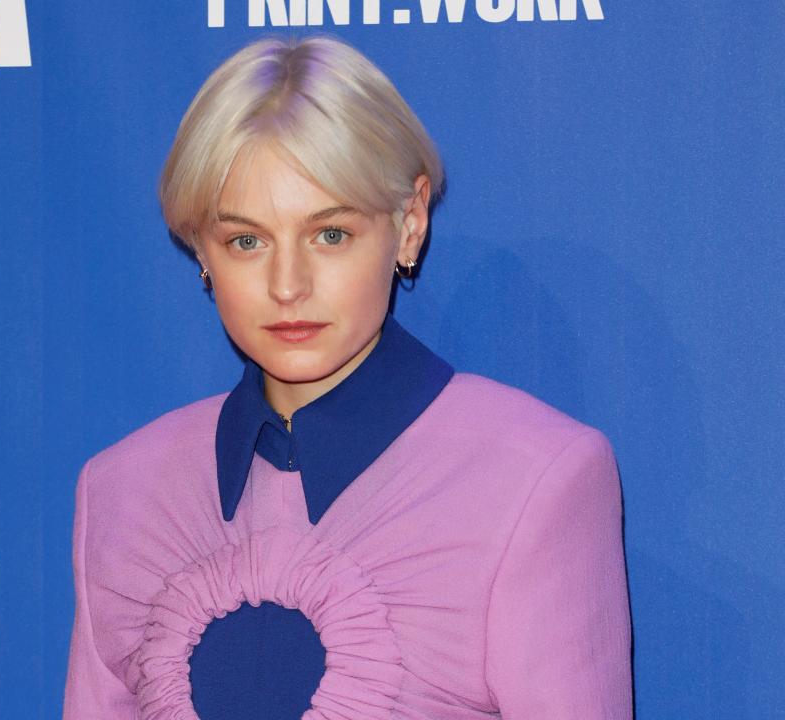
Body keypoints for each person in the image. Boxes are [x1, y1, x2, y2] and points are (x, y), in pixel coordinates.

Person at [63, 34, 633, 720]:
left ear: (409, 224)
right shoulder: (122, 491)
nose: (287, 285)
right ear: (202, 252)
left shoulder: (537, 482)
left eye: (330, 234)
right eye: (246, 240)